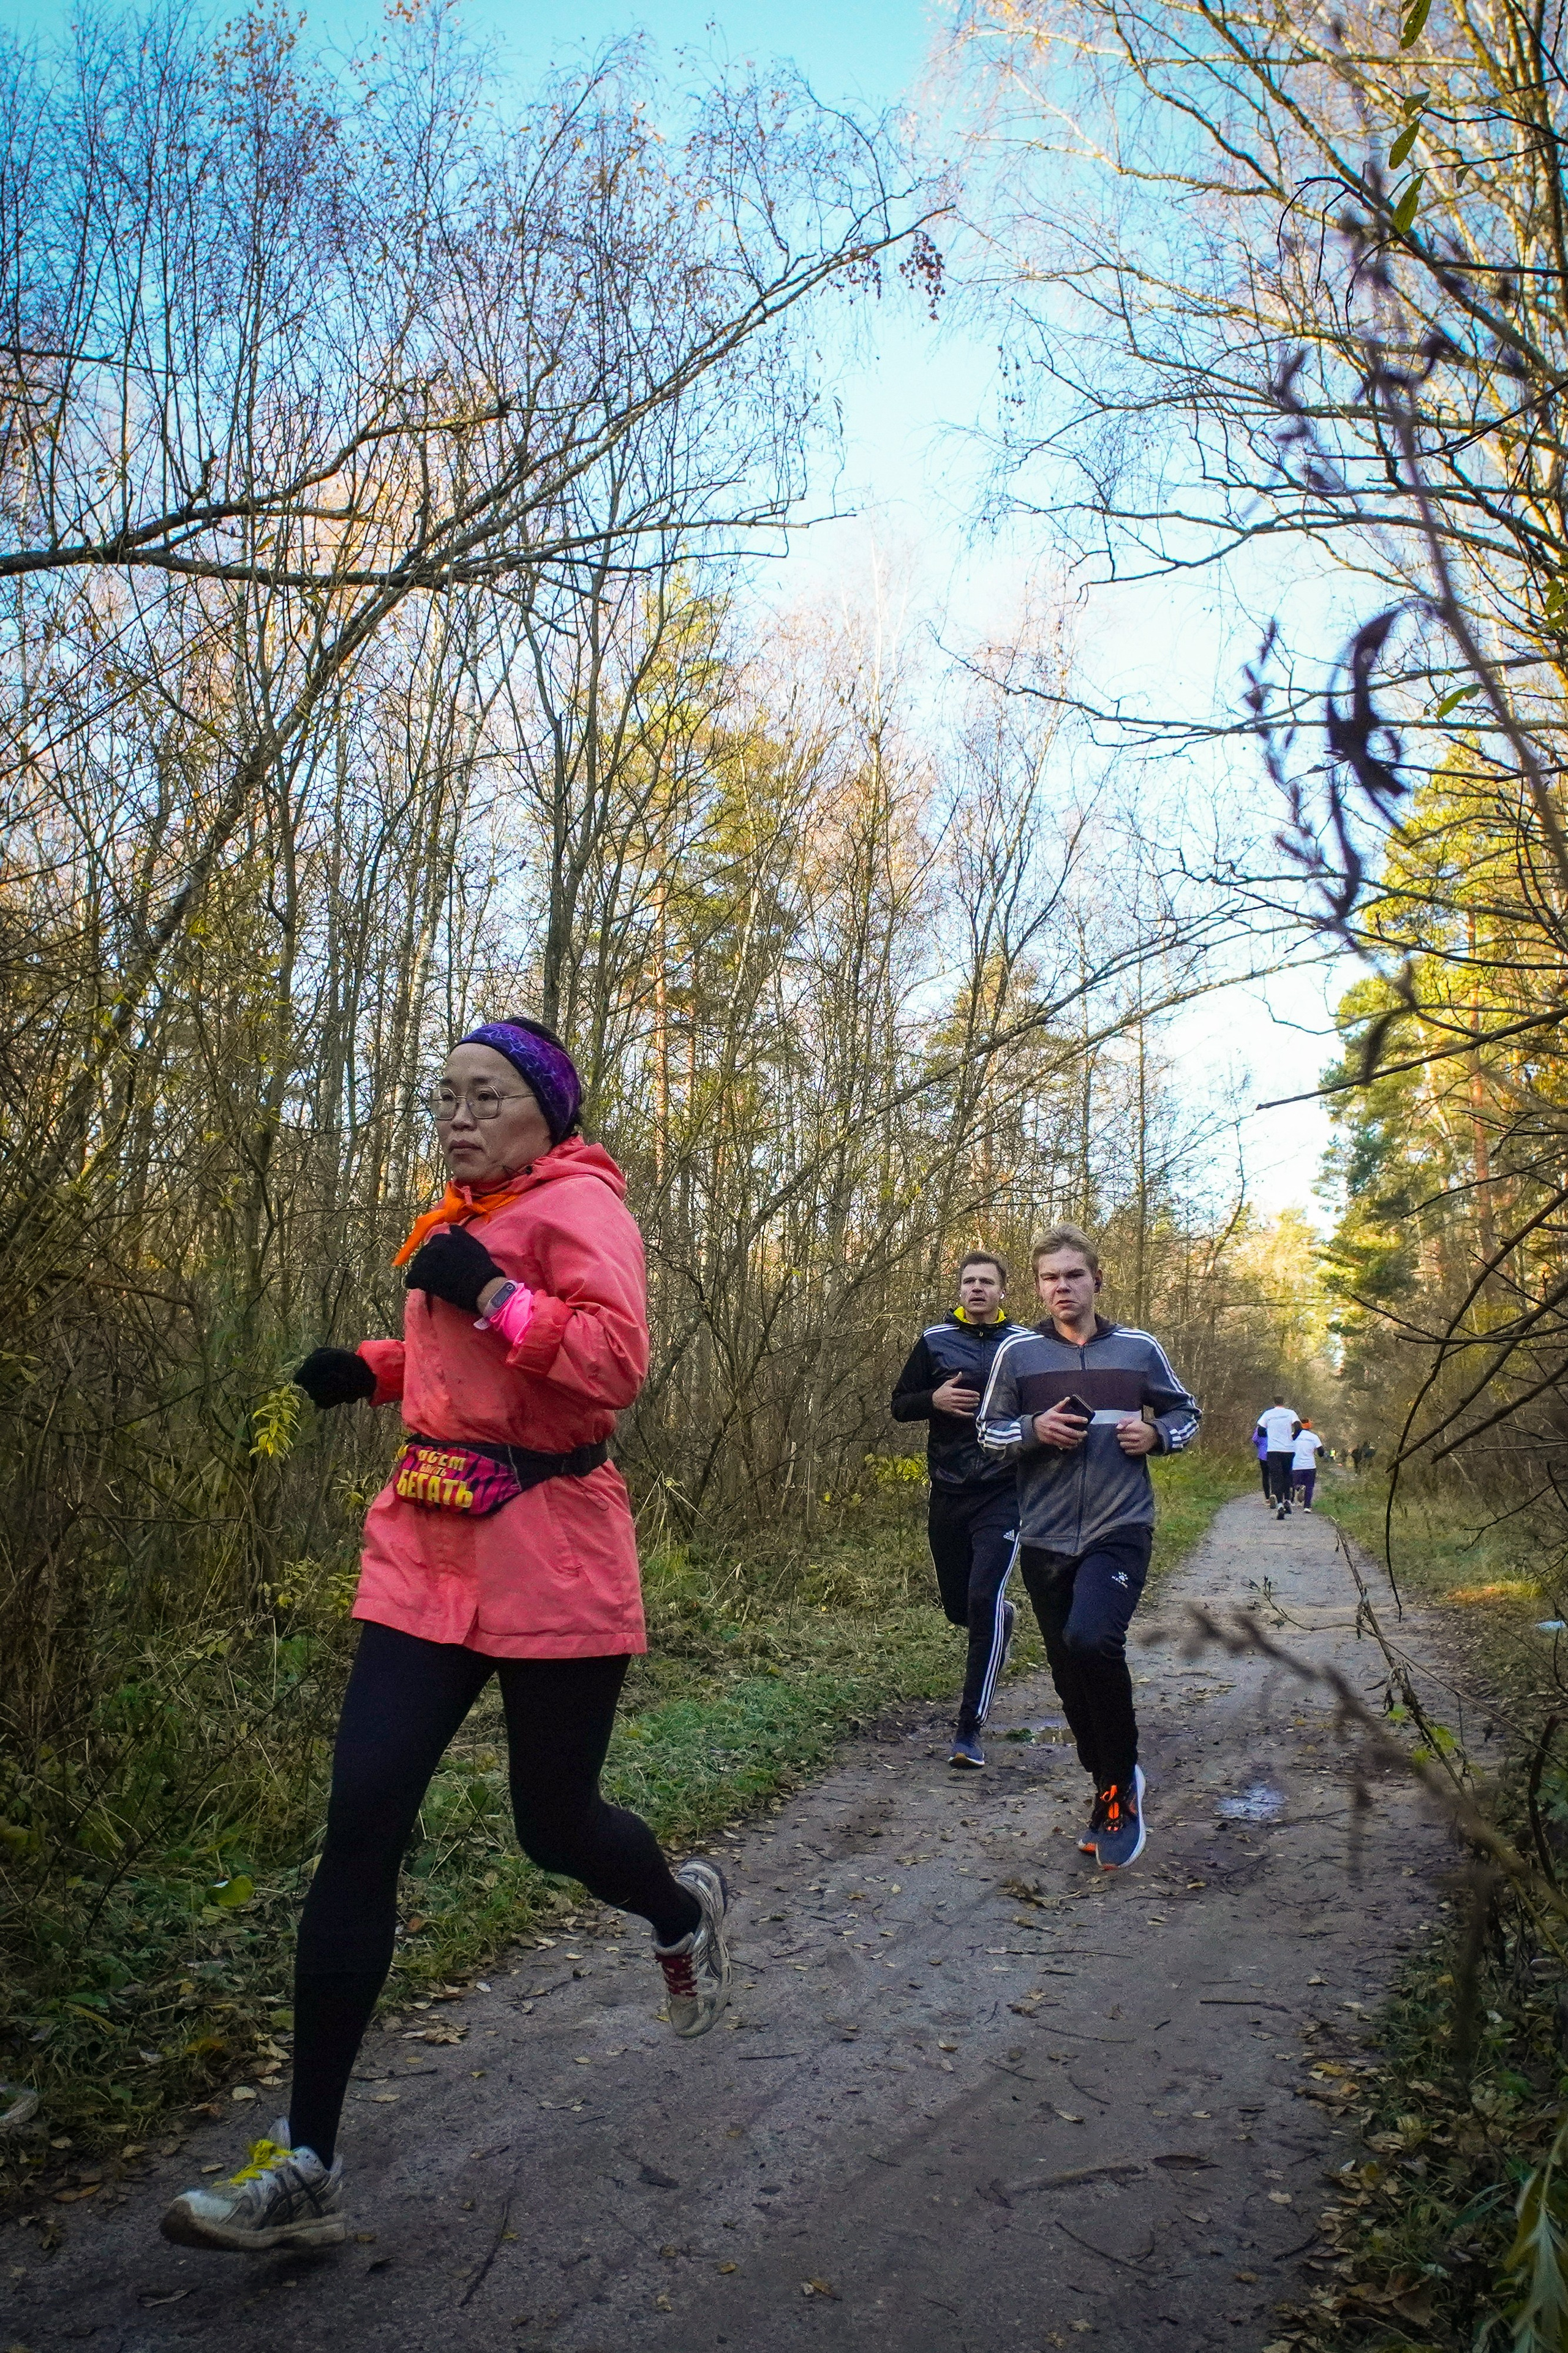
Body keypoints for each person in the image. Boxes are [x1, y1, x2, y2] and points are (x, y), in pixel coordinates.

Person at [162, 1018, 730, 2256]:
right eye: (445, 1098)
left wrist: (486, 1285)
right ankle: (310, 2161)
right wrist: (363, 1371)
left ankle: (677, 1909)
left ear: (545, 1113)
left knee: (551, 1825)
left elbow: (606, 1368)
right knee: (360, 1820)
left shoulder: (582, 1211)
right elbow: (459, 1371)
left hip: (552, 1554)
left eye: (485, 1097)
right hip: (426, 1549)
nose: (459, 1118)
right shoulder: (450, 1212)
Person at [977, 1225, 1200, 1871]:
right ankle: (1104, 1778)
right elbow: (987, 1432)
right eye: (1050, 1278)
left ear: (1096, 1279)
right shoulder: (1017, 1355)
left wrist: (1157, 1436)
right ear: (1038, 1286)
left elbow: (1187, 1413)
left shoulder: (1137, 1350)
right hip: (1045, 1534)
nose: (1062, 1288)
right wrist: (1032, 1429)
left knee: (1090, 1640)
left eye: (1073, 1275)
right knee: (1068, 1673)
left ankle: (1120, 1782)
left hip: (1119, 1527)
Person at [891, 1252, 1020, 1770]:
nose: (977, 1288)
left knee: (983, 1598)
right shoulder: (934, 1340)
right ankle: (999, 1620)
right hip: (948, 1489)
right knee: (958, 1606)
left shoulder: (1025, 1345)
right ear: (960, 1289)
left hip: (1005, 1489)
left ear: (1003, 1291)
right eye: (969, 1281)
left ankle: (969, 1730)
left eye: (987, 1281)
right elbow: (900, 1404)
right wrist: (933, 1400)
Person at [1254, 1395, 1302, 1520]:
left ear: (1274, 1402)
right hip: (1288, 1449)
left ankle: (1279, 1503)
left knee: (1276, 1476)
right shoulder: (1291, 1413)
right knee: (1287, 1475)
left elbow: (1260, 1431)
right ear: (1283, 1402)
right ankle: (1288, 1500)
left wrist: (1270, 1434)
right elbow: (1298, 1427)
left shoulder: (1268, 1414)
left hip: (1273, 1450)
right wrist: (1293, 1437)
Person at [1292, 1418, 1324, 1508]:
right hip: (1310, 1466)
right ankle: (1307, 1507)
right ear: (1310, 1426)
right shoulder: (1314, 1437)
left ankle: (1299, 1487)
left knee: (1294, 1483)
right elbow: (1321, 1453)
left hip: (1296, 1465)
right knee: (1310, 1486)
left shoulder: (1293, 1437)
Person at [1254, 1419, 1271, 1501]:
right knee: (1276, 1475)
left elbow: (1255, 1439)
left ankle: (1268, 1497)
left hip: (1262, 1454)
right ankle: (1275, 1494)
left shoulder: (1259, 1429)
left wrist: (1260, 1446)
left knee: (1265, 1475)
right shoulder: (1273, 1428)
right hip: (1273, 1453)